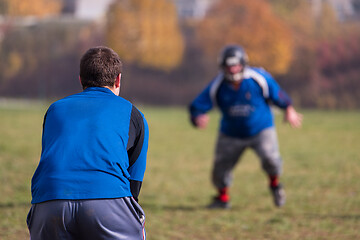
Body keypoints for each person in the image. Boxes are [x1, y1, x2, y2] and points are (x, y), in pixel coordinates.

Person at [27, 46, 149, 239]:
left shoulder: (54, 110)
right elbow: (134, 181)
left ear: (81, 80)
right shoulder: (133, 114)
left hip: (48, 202)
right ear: (118, 79)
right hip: (107, 203)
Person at [189, 45, 303, 209]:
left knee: (271, 160)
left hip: (261, 129)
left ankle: (275, 185)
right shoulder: (218, 84)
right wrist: (197, 117)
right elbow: (198, 105)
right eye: (229, 66)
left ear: (243, 64)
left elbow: (277, 93)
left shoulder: (258, 78)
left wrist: (289, 109)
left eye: (236, 65)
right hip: (231, 133)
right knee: (220, 167)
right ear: (223, 67)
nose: (233, 70)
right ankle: (222, 198)